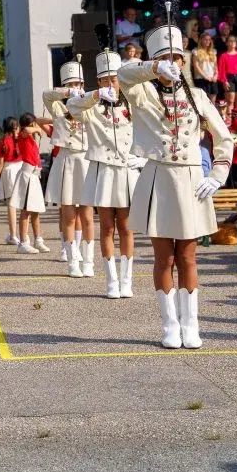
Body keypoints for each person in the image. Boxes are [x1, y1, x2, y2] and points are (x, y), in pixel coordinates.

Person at [118, 24, 233, 349]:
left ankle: (191, 324)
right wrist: (154, 67)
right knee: (162, 258)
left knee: (188, 258)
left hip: (192, 180)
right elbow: (124, 74)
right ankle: (169, 325)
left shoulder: (196, 96)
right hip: (158, 179)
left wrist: (217, 175)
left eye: (177, 58)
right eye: (167, 58)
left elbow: (223, 136)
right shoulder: (142, 93)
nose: (174, 63)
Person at [68, 51, 143, 299]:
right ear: (99, 82)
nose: (111, 83)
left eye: (114, 79)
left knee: (127, 228)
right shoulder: (92, 108)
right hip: (103, 171)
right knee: (107, 227)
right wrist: (96, 95)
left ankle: (126, 279)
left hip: (126, 170)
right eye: (105, 80)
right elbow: (72, 106)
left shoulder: (131, 105)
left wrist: (141, 158)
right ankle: (111, 280)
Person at [44, 61, 95, 278]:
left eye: (79, 83)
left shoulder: (90, 106)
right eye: (72, 83)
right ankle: (72, 259)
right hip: (66, 159)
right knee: (68, 215)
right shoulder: (58, 108)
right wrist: (67, 91)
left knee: (87, 215)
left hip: (85, 159)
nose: (77, 86)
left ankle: (89, 260)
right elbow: (47, 95)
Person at [6, 113, 48, 253]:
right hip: (27, 175)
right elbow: (26, 130)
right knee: (26, 210)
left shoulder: (30, 137)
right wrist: (36, 129)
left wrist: (42, 123)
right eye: (34, 124)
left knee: (35, 211)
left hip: (34, 176)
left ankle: (38, 240)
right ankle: (23, 242)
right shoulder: (24, 135)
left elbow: (40, 121)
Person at [0, 116, 23, 245]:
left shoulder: (3, 142)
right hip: (23, 170)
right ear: (17, 127)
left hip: (9, 171)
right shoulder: (22, 139)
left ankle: (13, 235)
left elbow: (0, 163)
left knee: (11, 206)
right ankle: (25, 235)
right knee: (24, 205)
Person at [218, 34, 237, 118]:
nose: (232, 43)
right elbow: (221, 70)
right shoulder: (224, 56)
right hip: (229, 78)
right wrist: (224, 81)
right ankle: (229, 120)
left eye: (234, 41)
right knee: (230, 101)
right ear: (227, 43)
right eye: (230, 41)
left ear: (236, 43)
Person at [191, 32, 218, 102]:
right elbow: (196, 66)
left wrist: (216, 75)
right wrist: (205, 76)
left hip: (212, 78)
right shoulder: (196, 52)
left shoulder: (213, 52)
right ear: (201, 40)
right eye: (205, 39)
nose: (208, 41)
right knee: (203, 100)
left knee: (213, 101)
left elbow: (215, 66)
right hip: (201, 79)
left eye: (209, 39)